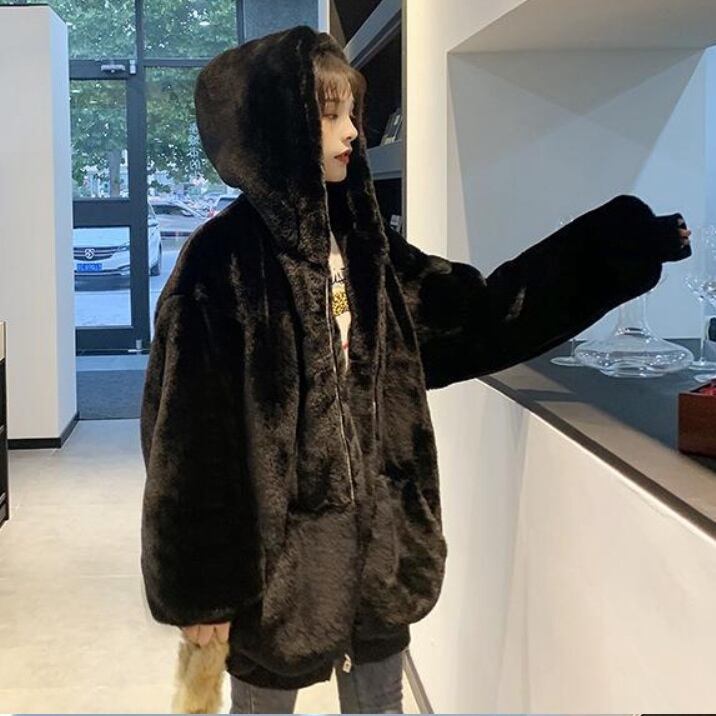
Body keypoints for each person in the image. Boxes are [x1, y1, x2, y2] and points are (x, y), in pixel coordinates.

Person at [139, 25, 692, 715]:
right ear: (277, 130)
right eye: (329, 115)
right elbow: (188, 442)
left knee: (381, 705)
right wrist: (201, 592)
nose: (351, 133)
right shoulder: (220, 264)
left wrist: (620, 245)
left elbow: (481, 316)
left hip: (382, 557)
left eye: (352, 113)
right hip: (273, 576)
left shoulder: (368, 250)